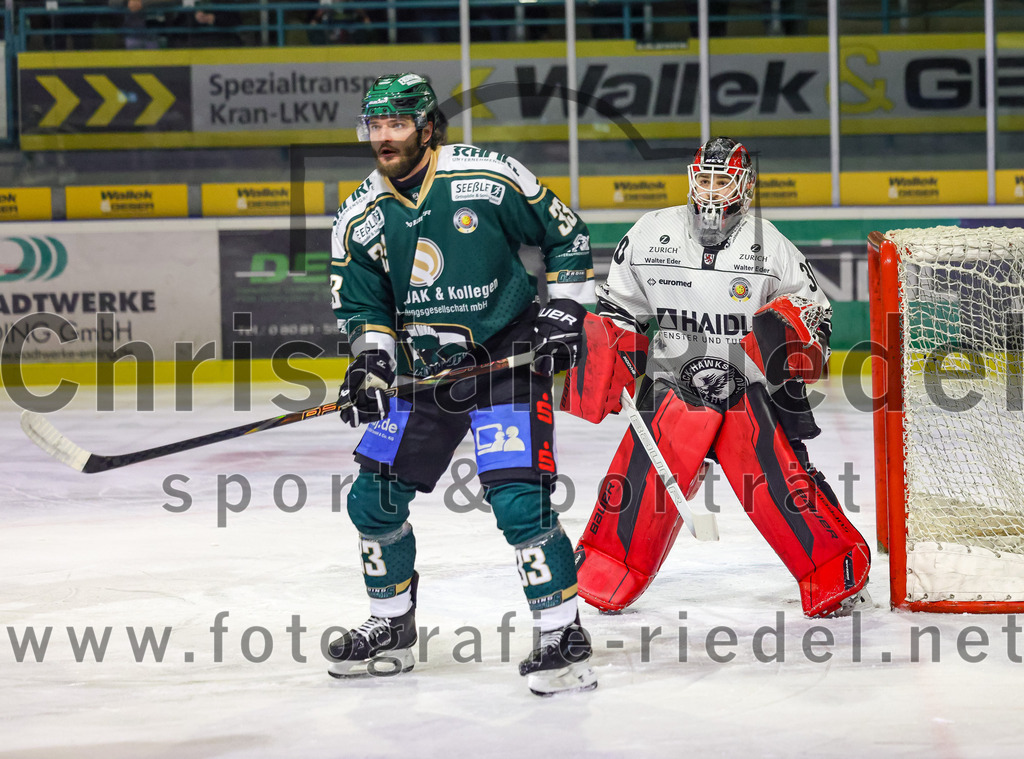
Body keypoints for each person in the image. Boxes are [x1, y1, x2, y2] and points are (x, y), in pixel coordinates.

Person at [327, 73, 597, 696]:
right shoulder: (359, 216)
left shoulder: (487, 176)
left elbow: (567, 237)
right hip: (423, 374)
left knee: (518, 500)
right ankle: (391, 627)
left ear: (427, 128)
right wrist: (370, 363)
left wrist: (565, 310)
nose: (384, 137)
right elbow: (364, 307)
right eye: (375, 126)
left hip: (506, 363)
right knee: (372, 498)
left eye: (397, 124)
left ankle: (562, 635)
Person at [563, 137, 871, 619]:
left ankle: (835, 566)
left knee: (787, 485)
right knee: (640, 485)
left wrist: (793, 339)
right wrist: (608, 354)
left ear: (744, 186)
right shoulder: (650, 232)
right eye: (703, 179)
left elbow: (814, 313)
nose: (710, 190)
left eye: (721, 181)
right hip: (673, 386)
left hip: (753, 391)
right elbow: (619, 309)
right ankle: (608, 568)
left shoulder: (770, 245)